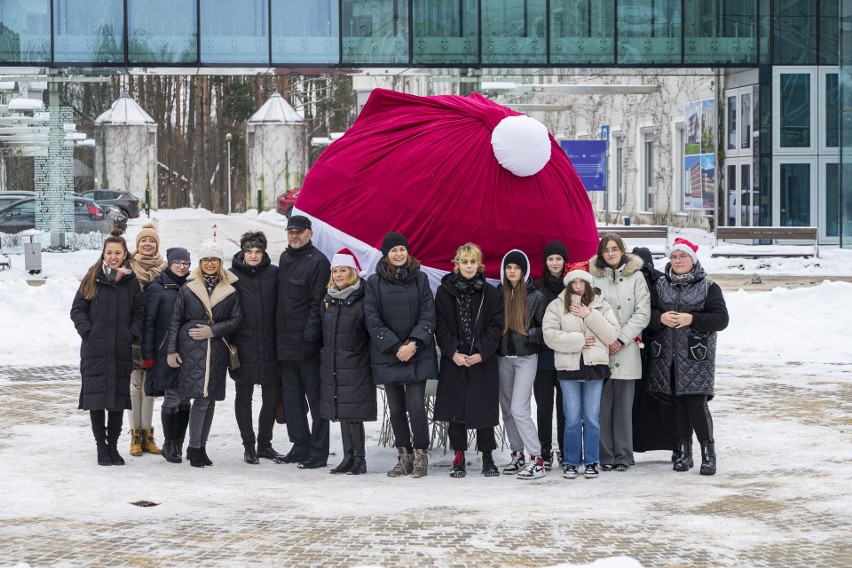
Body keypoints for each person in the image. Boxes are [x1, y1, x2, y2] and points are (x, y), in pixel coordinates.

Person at [645, 238, 729, 475]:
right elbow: (647, 314)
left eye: (683, 256)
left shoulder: (708, 287)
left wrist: (693, 319)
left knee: (696, 404)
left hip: (695, 356)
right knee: (678, 405)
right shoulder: (660, 285)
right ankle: (684, 452)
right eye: (674, 257)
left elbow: (721, 319)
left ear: (693, 260)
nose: (678, 261)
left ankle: (708, 454)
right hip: (667, 356)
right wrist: (659, 318)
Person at [364, 232, 438, 479]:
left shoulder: (421, 279)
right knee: (395, 409)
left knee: (415, 406)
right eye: (393, 250)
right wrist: (396, 346)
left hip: (417, 352)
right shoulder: (374, 282)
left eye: (402, 250)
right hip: (389, 353)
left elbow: (429, 314)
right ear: (386, 254)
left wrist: (414, 343)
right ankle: (403, 456)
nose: (398, 254)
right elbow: (372, 319)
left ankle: (420, 455)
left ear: (408, 252)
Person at [70, 230, 144, 466]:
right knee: (97, 399)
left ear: (125, 255)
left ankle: (113, 446)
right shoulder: (92, 277)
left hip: (120, 348)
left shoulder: (131, 282)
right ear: (104, 254)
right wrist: (88, 332)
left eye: (118, 253)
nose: (113, 257)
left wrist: (130, 334)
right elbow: (77, 309)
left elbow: (139, 313)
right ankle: (101, 447)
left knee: (117, 401)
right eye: (109, 252)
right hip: (95, 349)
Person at [167, 240, 243, 468]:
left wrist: (214, 330)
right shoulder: (188, 288)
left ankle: (200, 446)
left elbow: (237, 319)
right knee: (200, 399)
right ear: (200, 263)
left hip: (216, 348)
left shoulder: (230, 290)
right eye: (206, 260)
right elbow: (175, 320)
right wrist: (172, 350)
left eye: (214, 259)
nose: (210, 264)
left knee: (210, 401)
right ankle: (195, 448)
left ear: (220, 263)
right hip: (191, 348)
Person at [543, 261, 620, 480]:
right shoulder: (557, 305)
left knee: (592, 417)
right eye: (573, 282)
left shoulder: (601, 305)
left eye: (582, 281)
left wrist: (589, 315)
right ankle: (571, 461)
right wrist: (577, 340)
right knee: (573, 417)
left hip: (595, 369)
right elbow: (550, 335)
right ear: (568, 284)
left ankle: (592, 461)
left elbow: (612, 335)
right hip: (569, 369)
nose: (578, 286)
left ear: (588, 283)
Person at [433, 243, 503, 479]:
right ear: (457, 265)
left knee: (484, 409)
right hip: (456, 359)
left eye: (473, 262)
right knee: (456, 411)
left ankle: (487, 456)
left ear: (479, 264)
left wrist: (481, 352)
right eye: (465, 262)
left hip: (482, 359)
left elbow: (496, 326)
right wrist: (453, 352)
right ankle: (459, 455)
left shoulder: (491, 293)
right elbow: (440, 325)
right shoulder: (445, 292)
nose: (469, 266)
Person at [589, 235, 651, 472]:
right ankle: (605, 455)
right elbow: (589, 309)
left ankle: (624, 456)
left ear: (622, 251)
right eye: (606, 250)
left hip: (626, 348)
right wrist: (607, 338)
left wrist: (621, 338)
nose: (611, 254)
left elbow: (642, 312)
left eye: (615, 249)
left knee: (624, 408)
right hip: (601, 349)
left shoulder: (635, 277)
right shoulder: (595, 277)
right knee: (602, 408)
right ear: (601, 254)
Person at [275, 216, 331, 469]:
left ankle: (318, 452)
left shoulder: (318, 262)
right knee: (292, 399)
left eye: (299, 232)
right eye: (290, 232)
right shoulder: (285, 259)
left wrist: (310, 339)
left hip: (307, 346)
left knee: (316, 401)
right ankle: (300, 445)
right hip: (284, 344)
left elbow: (316, 304)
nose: (294, 236)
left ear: (309, 233)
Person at [319, 249, 376, 475]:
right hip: (334, 361)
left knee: (353, 415)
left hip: (356, 362)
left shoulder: (362, 298)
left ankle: (359, 459)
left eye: (343, 270)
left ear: (352, 272)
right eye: (335, 271)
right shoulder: (329, 298)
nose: (339, 275)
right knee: (342, 412)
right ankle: (347, 456)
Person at [229, 231, 284, 464]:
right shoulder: (231, 276)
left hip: (271, 345)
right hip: (244, 345)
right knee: (244, 397)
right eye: (249, 251)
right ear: (243, 252)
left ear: (263, 252)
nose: (253, 255)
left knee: (271, 398)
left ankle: (265, 444)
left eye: (257, 251)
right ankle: (248, 446)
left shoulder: (275, 273)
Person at [496, 249, 548, 479]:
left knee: (519, 408)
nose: (512, 271)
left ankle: (537, 458)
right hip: (503, 358)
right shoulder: (499, 294)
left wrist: (524, 335)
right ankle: (518, 454)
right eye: (509, 267)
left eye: (516, 267)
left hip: (526, 358)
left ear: (524, 270)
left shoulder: (536, 296)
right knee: (507, 409)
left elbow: (544, 329)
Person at [142, 247, 193, 464]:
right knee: (172, 396)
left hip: (190, 352)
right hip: (164, 350)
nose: (182, 267)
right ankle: (169, 443)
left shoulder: (192, 287)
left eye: (186, 263)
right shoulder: (157, 288)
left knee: (186, 399)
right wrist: (148, 354)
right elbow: (149, 322)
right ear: (170, 263)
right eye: (178, 262)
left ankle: (179, 442)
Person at [630, 247, 678, 460]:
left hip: (660, 344)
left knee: (665, 397)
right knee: (636, 398)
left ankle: (677, 444)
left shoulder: (662, 282)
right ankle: (633, 443)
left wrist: (656, 319)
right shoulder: (627, 281)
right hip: (633, 343)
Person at [128, 223, 166, 456]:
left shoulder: (165, 268)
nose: (147, 244)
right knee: (134, 386)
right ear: (138, 244)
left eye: (151, 241)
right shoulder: (128, 266)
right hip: (132, 334)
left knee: (149, 387)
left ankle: (148, 436)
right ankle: (135, 435)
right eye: (144, 240)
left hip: (153, 336)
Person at [532, 241, 569, 468]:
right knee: (544, 407)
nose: (555, 263)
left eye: (558, 258)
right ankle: (544, 450)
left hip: (567, 357)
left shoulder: (573, 286)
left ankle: (566, 450)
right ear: (545, 262)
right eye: (551, 259)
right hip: (544, 359)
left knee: (566, 409)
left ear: (565, 261)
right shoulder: (537, 287)